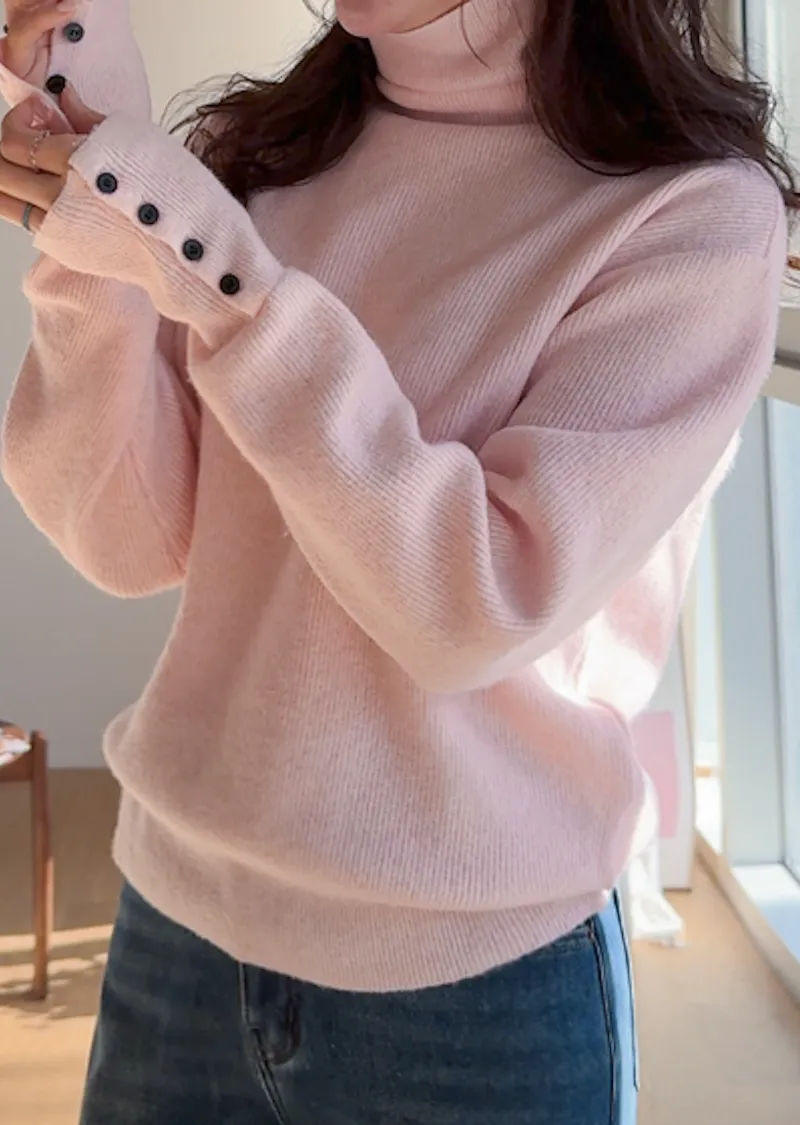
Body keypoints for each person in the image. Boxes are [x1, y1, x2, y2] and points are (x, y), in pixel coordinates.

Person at [0, 0, 795, 1121]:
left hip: (477, 992)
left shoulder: (691, 213)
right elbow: (127, 537)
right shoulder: (267, 153)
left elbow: (473, 604)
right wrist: (96, 225)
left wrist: (207, 264)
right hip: (179, 931)